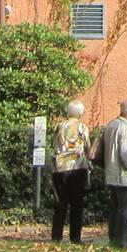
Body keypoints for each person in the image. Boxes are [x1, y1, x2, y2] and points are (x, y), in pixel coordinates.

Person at [94, 99, 127, 247]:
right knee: (124, 209)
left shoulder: (110, 125)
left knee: (114, 208)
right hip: (123, 175)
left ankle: (113, 236)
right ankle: (121, 238)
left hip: (110, 173)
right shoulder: (125, 129)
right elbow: (126, 155)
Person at [50, 100, 92, 244]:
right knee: (77, 204)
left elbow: (54, 144)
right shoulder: (82, 127)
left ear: (68, 112)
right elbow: (88, 147)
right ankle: (75, 237)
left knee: (60, 202)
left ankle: (56, 236)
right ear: (80, 113)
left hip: (60, 168)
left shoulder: (59, 126)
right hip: (77, 168)